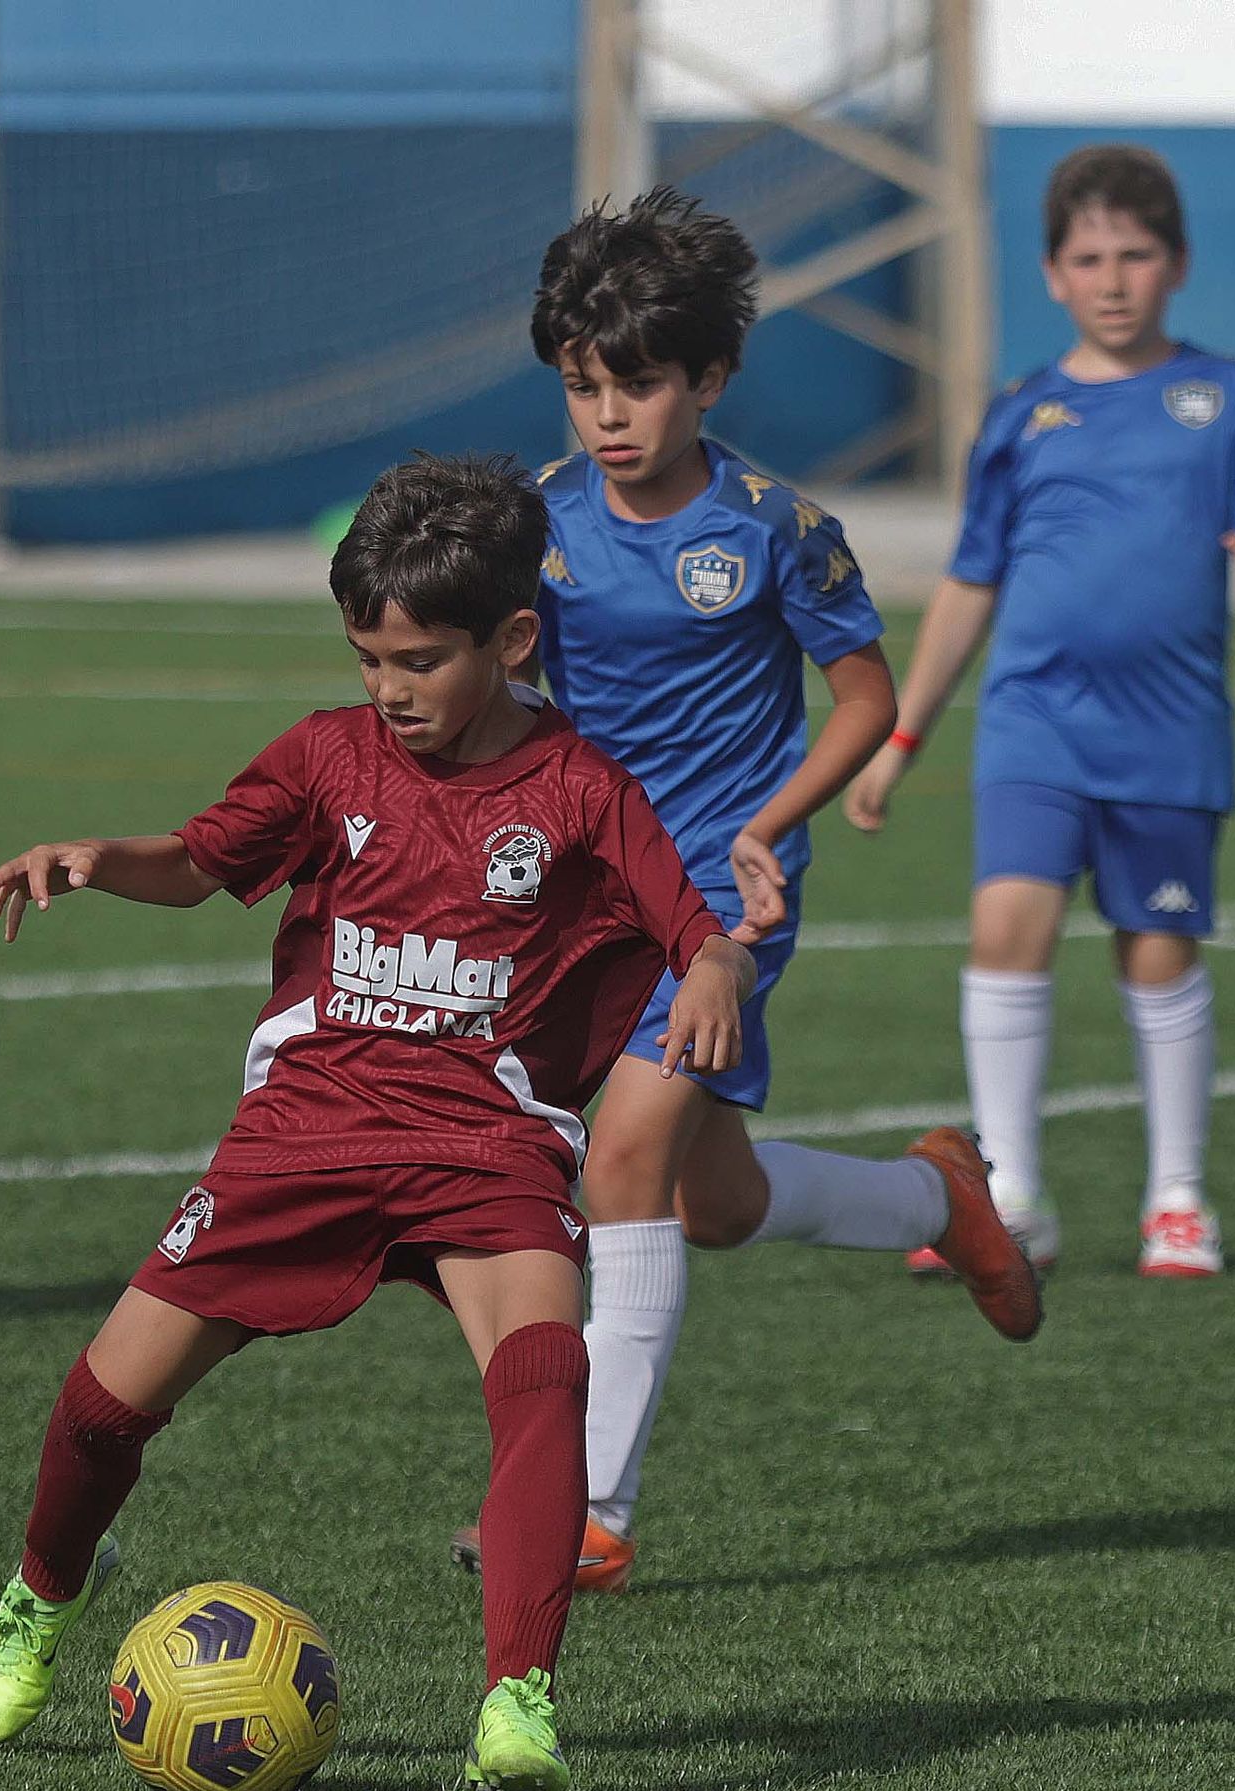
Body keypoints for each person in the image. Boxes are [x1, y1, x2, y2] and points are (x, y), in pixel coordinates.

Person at [0, 452, 760, 1791]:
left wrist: (718, 965)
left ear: (512, 642)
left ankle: (518, 1699)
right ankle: (38, 1600)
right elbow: (200, 859)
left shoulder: (579, 786)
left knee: (546, 1379)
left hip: (483, 1138)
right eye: (369, 656)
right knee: (107, 1400)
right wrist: (100, 860)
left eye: (420, 660)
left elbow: (689, 923)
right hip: (308, 1126)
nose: (391, 689)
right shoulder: (329, 754)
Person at [450, 187, 1041, 1596]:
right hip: (587, 895)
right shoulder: (534, 520)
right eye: (584, 384)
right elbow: (517, 688)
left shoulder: (778, 525)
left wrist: (777, 822)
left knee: (624, 1161)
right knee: (708, 1200)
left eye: (640, 384)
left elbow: (863, 696)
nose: (609, 413)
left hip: (724, 894)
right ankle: (933, 1198)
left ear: (708, 379)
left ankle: (589, 1507)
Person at [844, 144, 1235, 1278]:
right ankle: (1006, 1197)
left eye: (1135, 255)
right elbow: (969, 583)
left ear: (1177, 264)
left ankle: (1176, 1198)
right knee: (1009, 927)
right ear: (1051, 273)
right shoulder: (1020, 414)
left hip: (1167, 729)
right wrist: (899, 736)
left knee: (1156, 953)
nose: (1113, 279)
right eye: (1087, 257)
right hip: (1032, 723)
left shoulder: (1229, 394)